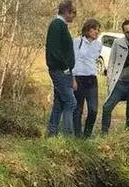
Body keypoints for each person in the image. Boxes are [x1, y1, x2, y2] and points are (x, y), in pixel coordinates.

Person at [101, 20, 129, 134]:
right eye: (127, 32)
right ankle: (104, 134)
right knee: (107, 107)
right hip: (119, 82)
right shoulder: (117, 42)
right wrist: (109, 81)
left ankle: (128, 136)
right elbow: (111, 62)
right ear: (123, 32)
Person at [45, 1, 78, 137]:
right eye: (73, 12)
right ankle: (67, 136)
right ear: (66, 11)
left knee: (59, 103)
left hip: (64, 71)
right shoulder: (56, 25)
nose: (74, 15)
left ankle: (51, 132)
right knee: (71, 102)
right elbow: (54, 51)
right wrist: (65, 68)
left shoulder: (61, 26)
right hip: (59, 71)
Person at [72, 18, 103, 138]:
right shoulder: (77, 42)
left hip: (92, 79)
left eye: (98, 30)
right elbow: (72, 61)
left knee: (93, 110)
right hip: (79, 78)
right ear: (88, 29)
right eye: (95, 29)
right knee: (78, 109)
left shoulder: (99, 44)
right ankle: (77, 135)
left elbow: (94, 60)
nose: (97, 32)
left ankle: (87, 134)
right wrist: (73, 79)